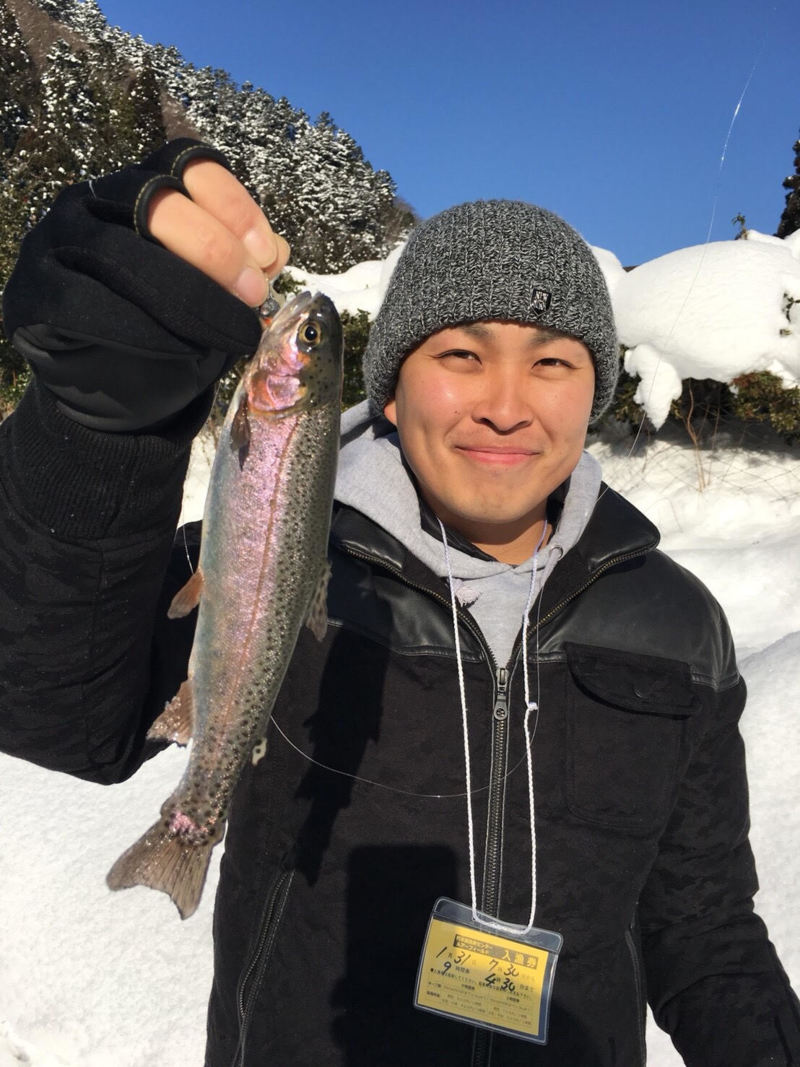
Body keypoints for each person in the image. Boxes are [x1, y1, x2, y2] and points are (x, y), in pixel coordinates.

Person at [0, 140, 798, 1067]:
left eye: (552, 361)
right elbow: (56, 708)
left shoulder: (678, 628)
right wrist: (93, 430)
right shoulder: (283, 556)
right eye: (461, 353)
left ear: (596, 393)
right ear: (388, 389)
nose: (507, 405)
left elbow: (705, 931)